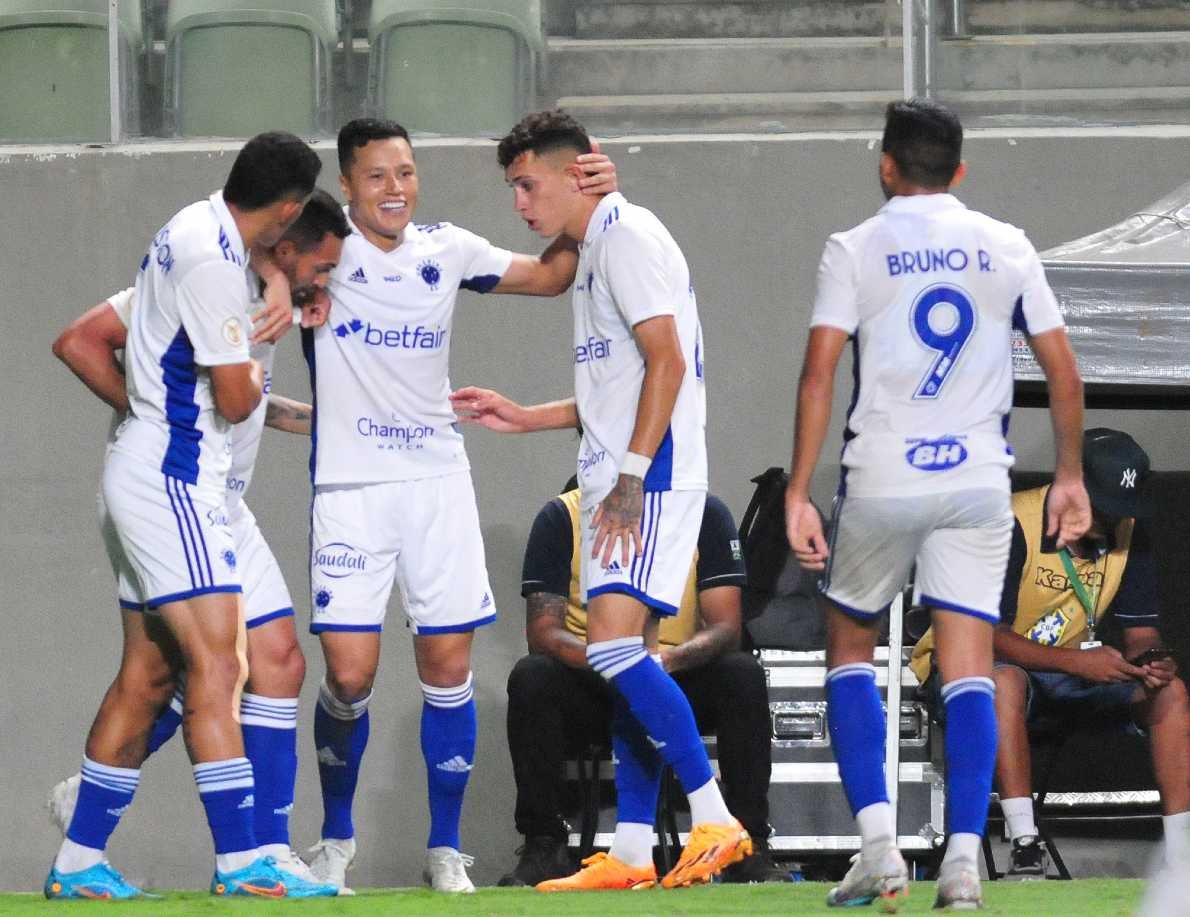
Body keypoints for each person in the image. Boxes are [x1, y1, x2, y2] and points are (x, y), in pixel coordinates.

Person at [782, 99, 1091, 910]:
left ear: (886, 164)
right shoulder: (1007, 244)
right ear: (959, 169)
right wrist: (1068, 475)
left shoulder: (853, 247)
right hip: (977, 481)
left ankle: (880, 848)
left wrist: (795, 489)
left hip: (882, 476)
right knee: (970, 664)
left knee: (848, 647)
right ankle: (961, 861)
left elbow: (819, 375)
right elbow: (1063, 370)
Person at [301, 118, 619, 895]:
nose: (396, 190)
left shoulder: (445, 249)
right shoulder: (318, 251)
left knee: (447, 669)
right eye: (377, 176)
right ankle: (334, 839)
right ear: (347, 185)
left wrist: (594, 204)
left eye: (406, 173)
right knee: (347, 675)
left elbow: (549, 276)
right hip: (349, 490)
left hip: (437, 483)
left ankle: (446, 851)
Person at [450, 108, 751, 892]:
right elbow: (614, 388)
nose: (518, 201)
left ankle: (714, 815)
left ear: (575, 168)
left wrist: (629, 475)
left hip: (646, 478)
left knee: (614, 649)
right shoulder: (593, 248)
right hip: (625, 468)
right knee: (632, 659)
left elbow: (667, 363)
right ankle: (629, 848)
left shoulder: (630, 238)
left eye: (526, 183)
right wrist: (529, 415)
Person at [44, 132, 327, 900]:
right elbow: (235, 399)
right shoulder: (211, 262)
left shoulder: (197, 231)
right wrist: (231, 361)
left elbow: (214, 385)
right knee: (220, 665)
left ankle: (77, 859)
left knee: (150, 672)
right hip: (175, 481)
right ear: (289, 211)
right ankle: (245, 859)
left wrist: (269, 288)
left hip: (167, 475)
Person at [910, 428, 1190, 880]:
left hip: (1067, 671)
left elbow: (1141, 630)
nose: (1112, 519)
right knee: (1003, 681)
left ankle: (1181, 854)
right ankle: (1024, 843)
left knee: (1170, 693)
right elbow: (983, 634)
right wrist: (1078, 663)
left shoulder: (1128, 529)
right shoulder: (1005, 522)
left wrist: (1150, 657)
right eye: (1101, 506)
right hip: (972, 668)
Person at [500, 479, 783, 887]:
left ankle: (747, 843)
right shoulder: (562, 516)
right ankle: (544, 843)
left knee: (742, 673)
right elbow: (543, 631)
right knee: (532, 677)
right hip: (593, 677)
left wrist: (662, 662)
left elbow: (726, 627)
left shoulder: (704, 512)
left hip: (674, 671)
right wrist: (612, 661)